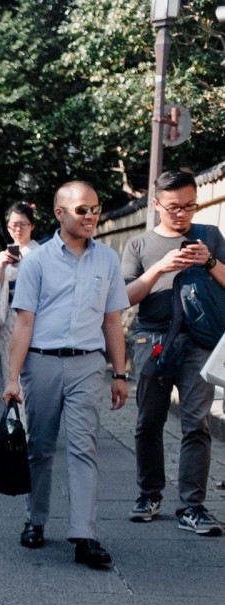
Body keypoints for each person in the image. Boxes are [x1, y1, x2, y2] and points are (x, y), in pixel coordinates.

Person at [3, 181, 130, 569]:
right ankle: (35, 520)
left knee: (83, 447)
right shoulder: (37, 262)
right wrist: (12, 378)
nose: (91, 216)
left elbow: (112, 321)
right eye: (81, 210)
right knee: (40, 447)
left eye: (95, 209)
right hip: (41, 363)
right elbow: (23, 323)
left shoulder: (108, 259)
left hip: (88, 365)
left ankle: (84, 535)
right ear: (60, 214)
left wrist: (120, 373)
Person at [121, 169, 225, 535]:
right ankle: (149, 493)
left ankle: (192, 506)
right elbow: (124, 298)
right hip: (153, 340)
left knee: (197, 422)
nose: (182, 214)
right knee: (149, 422)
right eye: (173, 207)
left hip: (200, 341)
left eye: (190, 206)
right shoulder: (138, 245)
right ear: (156, 204)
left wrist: (210, 262)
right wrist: (161, 268)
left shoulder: (210, 236)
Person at [0, 201, 40, 379]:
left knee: (33, 372)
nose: (18, 229)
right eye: (14, 225)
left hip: (35, 319)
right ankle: (14, 407)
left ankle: (28, 407)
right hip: (9, 318)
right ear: (8, 228)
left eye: (23, 224)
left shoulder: (42, 254)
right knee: (11, 372)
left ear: (31, 225)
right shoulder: (0, 257)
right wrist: (1, 268)